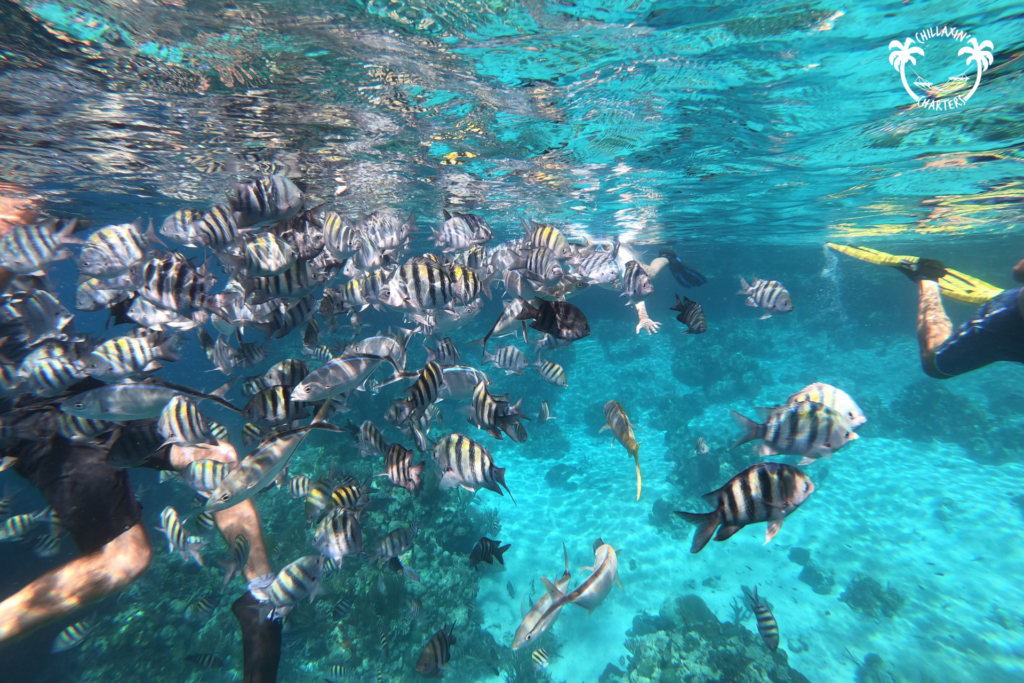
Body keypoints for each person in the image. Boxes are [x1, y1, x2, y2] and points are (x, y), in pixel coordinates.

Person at [0, 422, 283, 682]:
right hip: (43, 422)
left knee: (219, 457)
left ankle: (261, 597)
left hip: (100, 395)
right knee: (125, 558)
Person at [897, 257, 1024, 378]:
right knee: (936, 366)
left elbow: (1019, 272)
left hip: (1011, 324)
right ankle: (928, 279)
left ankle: (928, 278)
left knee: (937, 367)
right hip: (1009, 321)